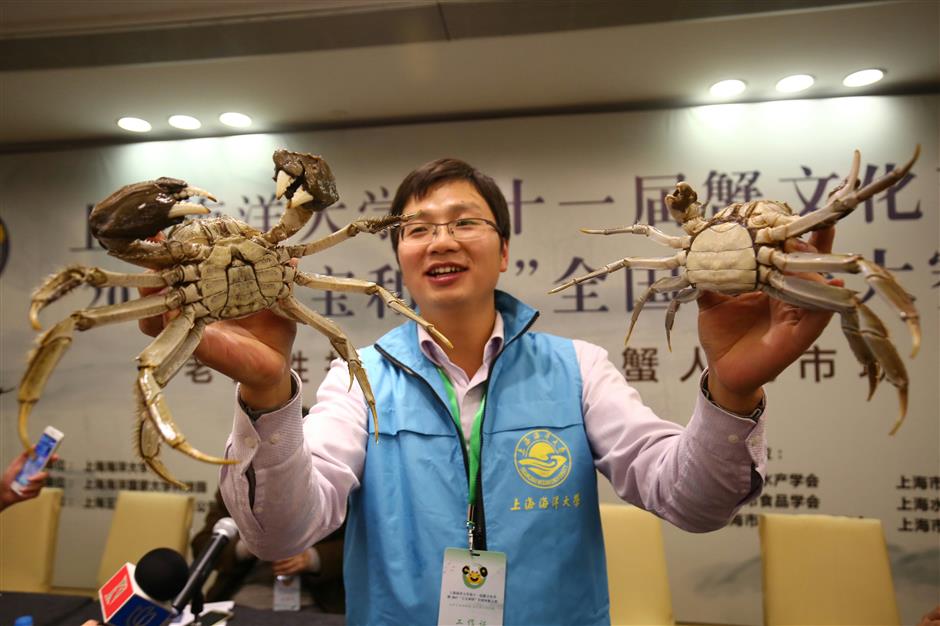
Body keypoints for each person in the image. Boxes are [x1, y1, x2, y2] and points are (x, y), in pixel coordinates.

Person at [142, 157, 837, 624]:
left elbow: (691, 502)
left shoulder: (579, 368)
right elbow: (280, 531)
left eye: (464, 221)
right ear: (401, 263)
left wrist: (731, 390)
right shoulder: (358, 379)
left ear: (504, 252)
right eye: (416, 229)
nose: (439, 238)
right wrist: (268, 387)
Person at [191, 488, 344, 612]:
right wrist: (247, 547)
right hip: (242, 597)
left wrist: (312, 558)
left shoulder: (336, 476)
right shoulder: (238, 482)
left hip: (315, 602)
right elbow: (202, 545)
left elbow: (361, 547)